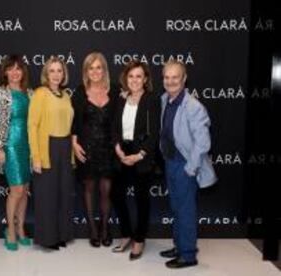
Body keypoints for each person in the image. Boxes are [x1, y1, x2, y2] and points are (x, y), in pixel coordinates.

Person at [159, 60, 217, 268]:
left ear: (184, 79)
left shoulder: (194, 106)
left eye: (175, 77)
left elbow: (203, 143)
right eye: (166, 77)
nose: (170, 81)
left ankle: (188, 255)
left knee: (185, 211)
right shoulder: (165, 99)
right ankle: (179, 246)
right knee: (176, 207)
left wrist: (190, 168)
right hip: (170, 162)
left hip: (185, 165)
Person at [111, 60, 160, 260]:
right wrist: (118, 150)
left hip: (142, 154)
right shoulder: (121, 98)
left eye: (139, 76)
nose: (134, 80)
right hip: (122, 152)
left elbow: (154, 133)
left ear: (145, 79)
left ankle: (139, 240)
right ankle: (125, 234)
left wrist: (139, 155)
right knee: (116, 195)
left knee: (141, 199)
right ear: (126, 78)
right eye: (131, 76)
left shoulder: (152, 99)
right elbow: (114, 127)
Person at [28, 56, 75, 250]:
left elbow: (69, 126)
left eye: (60, 71)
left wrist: (71, 154)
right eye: (52, 71)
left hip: (65, 148)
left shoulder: (65, 95)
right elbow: (32, 125)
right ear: (46, 74)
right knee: (47, 197)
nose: (56, 74)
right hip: (48, 147)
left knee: (64, 194)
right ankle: (48, 239)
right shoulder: (40, 93)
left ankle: (62, 234)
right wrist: (36, 157)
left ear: (64, 74)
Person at [71, 52, 117, 247]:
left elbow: (120, 121)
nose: (95, 71)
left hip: (109, 149)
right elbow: (74, 122)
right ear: (86, 71)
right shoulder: (80, 92)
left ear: (104, 70)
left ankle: (105, 228)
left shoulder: (115, 91)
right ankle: (92, 228)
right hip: (86, 149)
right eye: (91, 68)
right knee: (89, 188)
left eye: (99, 67)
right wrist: (74, 144)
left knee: (106, 191)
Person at [0, 55, 31, 251]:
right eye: (10, 69)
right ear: (5, 72)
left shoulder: (30, 93)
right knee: (16, 190)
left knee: (25, 190)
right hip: (10, 146)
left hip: (28, 145)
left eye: (18, 68)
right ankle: (10, 229)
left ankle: (21, 228)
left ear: (23, 72)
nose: (15, 72)